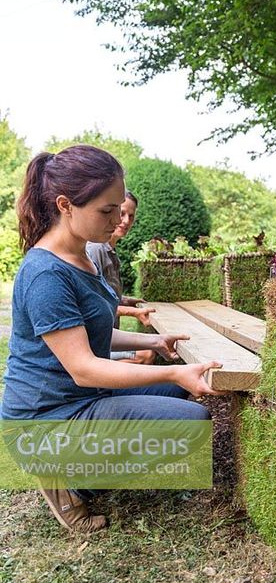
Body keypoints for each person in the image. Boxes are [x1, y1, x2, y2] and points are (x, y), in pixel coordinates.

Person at [0, 145, 222, 533]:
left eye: (120, 207)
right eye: (107, 210)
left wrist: (154, 344)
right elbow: (84, 368)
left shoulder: (85, 256)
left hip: (82, 399)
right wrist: (173, 373)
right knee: (192, 423)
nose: (119, 219)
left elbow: (93, 333)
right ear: (65, 205)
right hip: (45, 422)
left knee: (175, 400)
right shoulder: (46, 275)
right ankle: (66, 482)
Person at [86, 190, 156, 364]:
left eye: (131, 216)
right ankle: (107, 388)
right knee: (146, 354)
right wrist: (133, 312)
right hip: (94, 345)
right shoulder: (95, 250)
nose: (125, 221)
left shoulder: (110, 250)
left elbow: (105, 293)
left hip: (107, 338)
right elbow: (92, 305)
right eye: (122, 213)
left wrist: (127, 300)